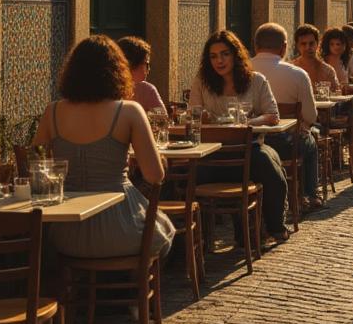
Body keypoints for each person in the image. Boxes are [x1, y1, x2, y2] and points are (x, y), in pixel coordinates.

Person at [33, 35, 174, 259]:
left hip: (66, 234)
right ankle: (131, 286)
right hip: (122, 231)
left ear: (72, 73)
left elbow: (35, 166)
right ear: (118, 71)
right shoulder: (129, 111)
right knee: (164, 231)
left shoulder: (52, 112)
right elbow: (155, 175)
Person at [190, 30, 291, 243]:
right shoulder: (202, 81)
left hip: (248, 148)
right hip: (212, 154)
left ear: (236, 55)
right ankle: (186, 241)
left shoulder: (256, 80)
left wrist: (247, 124)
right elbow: (193, 115)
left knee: (271, 168)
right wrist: (203, 118)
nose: (219, 61)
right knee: (178, 175)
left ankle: (275, 226)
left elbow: (272, 115)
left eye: (224, 54)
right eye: (214, 56)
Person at [251, 23, 322, 212]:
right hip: (286, 144)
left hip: (250, 144)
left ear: (256, 46)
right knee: (312, 140)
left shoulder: (242, 71)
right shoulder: (297, 74)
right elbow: (311, 116)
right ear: (284, 47)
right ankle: (309, 193)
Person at [322, 27, 353, 151]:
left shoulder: (342, 62)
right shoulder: (323, 63)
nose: (336, 47)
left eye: (339, 44)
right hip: (327, 106)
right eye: (332, 44)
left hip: (341, 103)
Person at [118, 35, 167, 114]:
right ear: (133, 64)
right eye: (146, 64)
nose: (149, 69)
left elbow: (162, 116)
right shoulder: (110, 90)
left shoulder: (147, 89)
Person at [292, 24, 341, 92]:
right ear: (297, 45)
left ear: (317, 44)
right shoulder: (291, 69)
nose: (308, 47)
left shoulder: (328, 71)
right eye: (303, 44)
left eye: (311, 43)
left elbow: (337, 95)